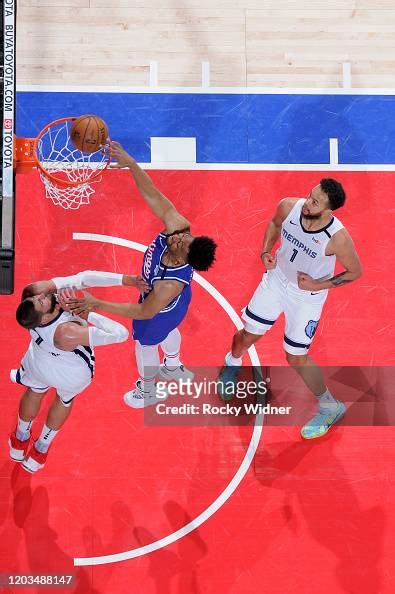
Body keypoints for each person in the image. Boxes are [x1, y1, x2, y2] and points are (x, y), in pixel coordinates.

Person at [66, 141, 217, 408]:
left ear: (184, 259)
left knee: (145, 345)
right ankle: (172, 365)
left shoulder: (169, 284)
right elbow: (154, 197)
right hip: (175, 308)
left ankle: (149, 391)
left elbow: (144, 312)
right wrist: (132, 165)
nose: (180, 237)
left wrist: (97, 304)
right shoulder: (178, 229)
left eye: (182, 243)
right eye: (185, 236)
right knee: (171, 328)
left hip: (158, 310)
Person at [218, 179, 362, 439]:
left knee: (295, 357)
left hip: (307, 298)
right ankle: (232, 362)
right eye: (309, 195)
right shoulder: (289, 206)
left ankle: (331, 407)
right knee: (248, 335)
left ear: (330, 210)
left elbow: (355, 272)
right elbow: (274, 223)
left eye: (315, 202)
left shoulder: (337, 238)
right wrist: (265, 252)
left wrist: (318, 284)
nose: (307, 203)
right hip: (276, 281)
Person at [9, 270, 147, 473]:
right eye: (41, 302)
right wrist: (87, 311)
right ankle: (41, 449)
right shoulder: (67, 333)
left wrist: (130, 281)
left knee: (34, 391)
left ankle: (20, 439)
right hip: (68, 374)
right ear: (45, 316)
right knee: (64, 400)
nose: (41, 296)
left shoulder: (33, 298)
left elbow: (84, 278)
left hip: (37, 361)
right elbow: (121, 334)